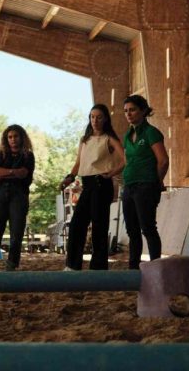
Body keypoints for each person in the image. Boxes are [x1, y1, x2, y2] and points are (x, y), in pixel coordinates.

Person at [60, 104, 125, 271]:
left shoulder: (109, 139)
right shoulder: (84, 140)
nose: (95, 120)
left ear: (105, 119)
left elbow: (126, 159)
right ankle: (72, 265)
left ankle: (98, 267)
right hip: (87, 185)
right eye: (92, 117)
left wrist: (112, 173)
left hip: (102, 183)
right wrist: (69, 178)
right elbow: (78, 164)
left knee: (99, 226)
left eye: (99, 117)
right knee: (76, 224)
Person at [121, 94, 168, 269]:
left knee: (147, 227)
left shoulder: (151, 133)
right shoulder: (127, 135)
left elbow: (163, 160)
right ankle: (134, 267)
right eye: (126, 111)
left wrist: (156, 182)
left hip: (146, 185)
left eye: (132, 110)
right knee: (132, 230)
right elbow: (127, 160)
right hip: (129, 186)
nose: (129, 114)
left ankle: (155, 265)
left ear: (143, 111)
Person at [0, 124, 35, 271]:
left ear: (21, 137)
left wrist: (3, 174)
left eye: (16, 136)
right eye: (10, 137)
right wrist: (12, 172)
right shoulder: (2, 154)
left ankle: (12, 264)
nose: (13, 140)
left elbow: (24, 173)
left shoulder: (28, 155)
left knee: (16, 231)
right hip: (2, 194)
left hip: (19, 194)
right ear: (6, 139)